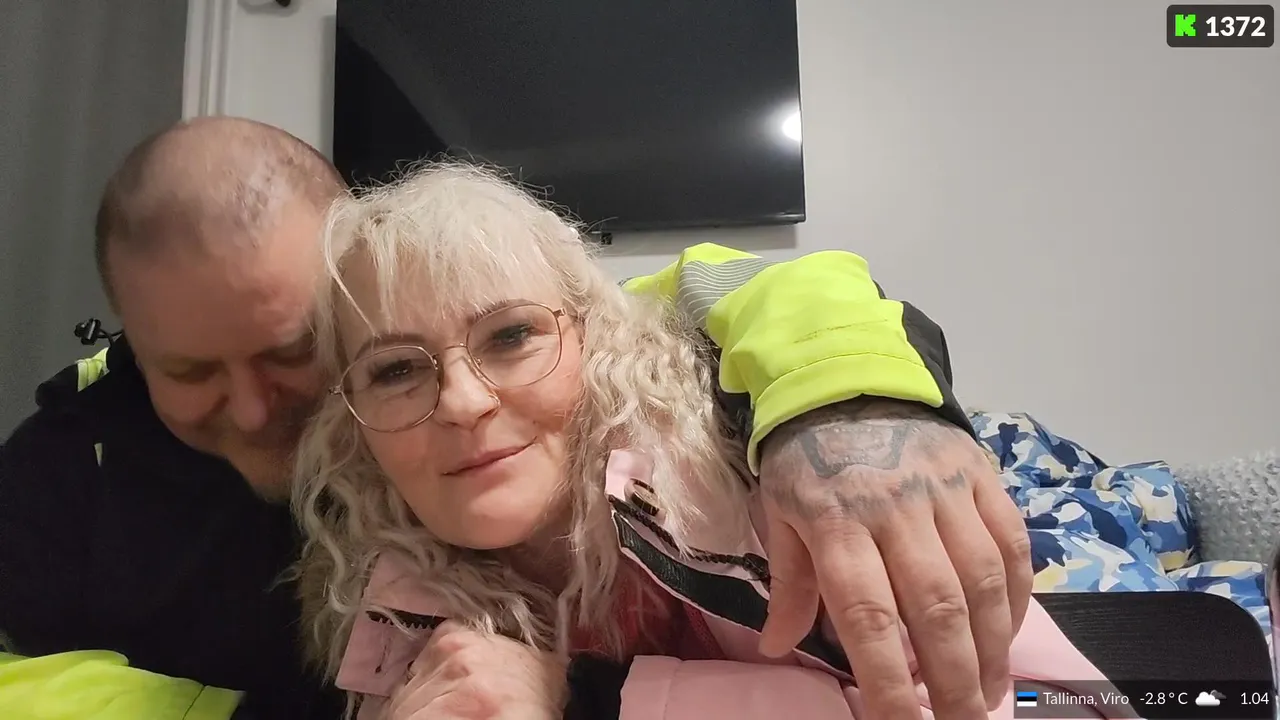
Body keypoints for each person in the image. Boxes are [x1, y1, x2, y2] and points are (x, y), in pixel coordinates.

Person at [0, 117, 1030, 720]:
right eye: (188, 371)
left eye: (289, 349)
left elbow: (720, 292)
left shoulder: (565, 358)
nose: (257, 407)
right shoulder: (62, 465)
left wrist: (845, 405)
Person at [291, 163, 1117, 720]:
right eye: (396, 370)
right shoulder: (390, 608)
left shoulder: (764, 480)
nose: (464, 402)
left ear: (593, 339)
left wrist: (594, 700)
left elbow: (1059, 706)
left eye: (511, 336)